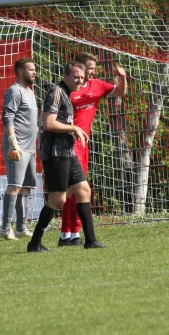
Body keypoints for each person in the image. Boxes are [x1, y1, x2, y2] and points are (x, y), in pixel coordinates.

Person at [27, 61, 105, 252]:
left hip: (68, 152)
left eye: (82, 77)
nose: (80, 81)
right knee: (58, 199)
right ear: (66, 76)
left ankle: (90, 241)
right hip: (56, 153)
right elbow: (49, 123)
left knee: (84, 190)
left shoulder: (68, 95)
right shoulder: (56, 92)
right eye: (76, 77)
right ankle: (34, 243)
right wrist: (74, 128)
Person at [58, 53, 127, 246]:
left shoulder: (97, 85)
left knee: (76, 191)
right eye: (90, 69)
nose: (93, 73)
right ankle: (69, 234)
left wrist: (122, 79)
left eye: (94, 69)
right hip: (69, 145)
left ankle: (71, 234)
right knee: (76, 190)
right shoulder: (67, 90)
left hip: (83, 144)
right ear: (79, 69)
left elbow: (120, 93)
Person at [0, 58, 38, 240]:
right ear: (21, 71)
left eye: (34, 69)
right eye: (30, 69)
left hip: (30, 148)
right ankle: (5, 228)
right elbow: (8, 118)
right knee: (14, 186)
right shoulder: (14, 91)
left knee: (26, 188)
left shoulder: (30, 92)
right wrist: (13, 142)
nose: (34, 72)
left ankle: (21, 227)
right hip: (18, 146)